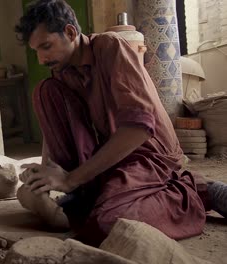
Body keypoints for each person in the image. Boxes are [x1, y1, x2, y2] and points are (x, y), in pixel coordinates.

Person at [14, 0, 227, 246]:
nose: (41, 59)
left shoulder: (110, 47)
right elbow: (56, 134)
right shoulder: (63, 69)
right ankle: (91, 194)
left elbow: (139, 129)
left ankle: (195, 192)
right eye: (36, 51)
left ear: (71, 33)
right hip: (112, 157)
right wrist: (46, 176)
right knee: (45, 91)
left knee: (109, 223)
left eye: (46, 46)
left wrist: (71, 180)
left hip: (150, 156)